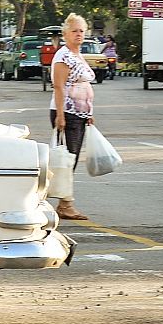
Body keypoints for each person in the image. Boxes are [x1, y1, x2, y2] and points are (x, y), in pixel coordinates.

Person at [49, 13, 95, 221]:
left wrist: (89, 112)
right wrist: (60, 115)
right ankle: (65, 204)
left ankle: (64, 202)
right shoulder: (63, 56)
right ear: (65, 33)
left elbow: (83, 85)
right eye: (74, 31)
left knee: (71, 159)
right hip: (67, 112)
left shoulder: (77, 55)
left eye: (81, 31)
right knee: (67, 160)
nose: (78, 34)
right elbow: (59, 86)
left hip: (79, 113)